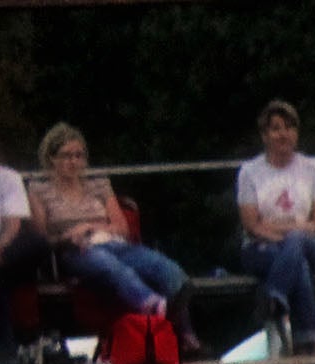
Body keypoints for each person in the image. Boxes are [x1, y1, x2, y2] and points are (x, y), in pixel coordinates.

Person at [28, 125, 202, 352]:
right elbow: (41, 237)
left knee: (160, 265)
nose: (74, 162)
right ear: (51, 159)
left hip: (110, 241)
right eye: (66, 156)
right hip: (74, 250)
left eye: (79, 155)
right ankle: (152, 306)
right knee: (107, 263)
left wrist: (89, 225)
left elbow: (121, 227)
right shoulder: (40, 189)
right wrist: (68, 236)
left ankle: (187, 334)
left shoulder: (98, 182)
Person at [235, 100, 315, 350]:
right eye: (277, 128)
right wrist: (293, 230)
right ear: (265, 135)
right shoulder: (249, 172)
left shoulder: (313, 169)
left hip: (308, 245)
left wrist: (281, 231)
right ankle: (310, 337)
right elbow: (251, 226)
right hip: (262, 248)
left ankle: (275, 294)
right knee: (296, 259)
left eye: (290, 128)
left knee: (297, 244)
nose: (284, 134)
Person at [0, 118, 50, 364]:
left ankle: (6, 362)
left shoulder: (9, 178)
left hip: (5, 255)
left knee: (36, 242)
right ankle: (9, 362)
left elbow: (13, 225)